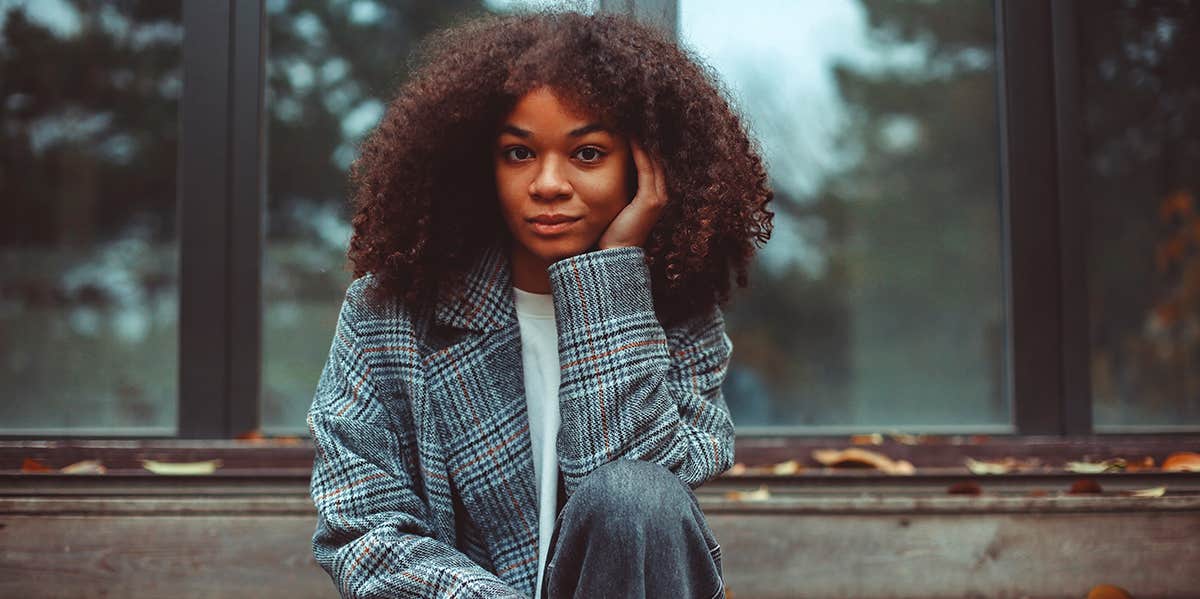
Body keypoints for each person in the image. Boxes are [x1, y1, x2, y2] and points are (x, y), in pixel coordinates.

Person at [307, 9, 773, 599]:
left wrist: (609, 284)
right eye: (519, 154)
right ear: (479, 165)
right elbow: (362, 530)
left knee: (635, 494)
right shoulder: (392, 316)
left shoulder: (678, 317)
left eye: (587, 154)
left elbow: (649, 508)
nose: (548, 183)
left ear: (645, 171)